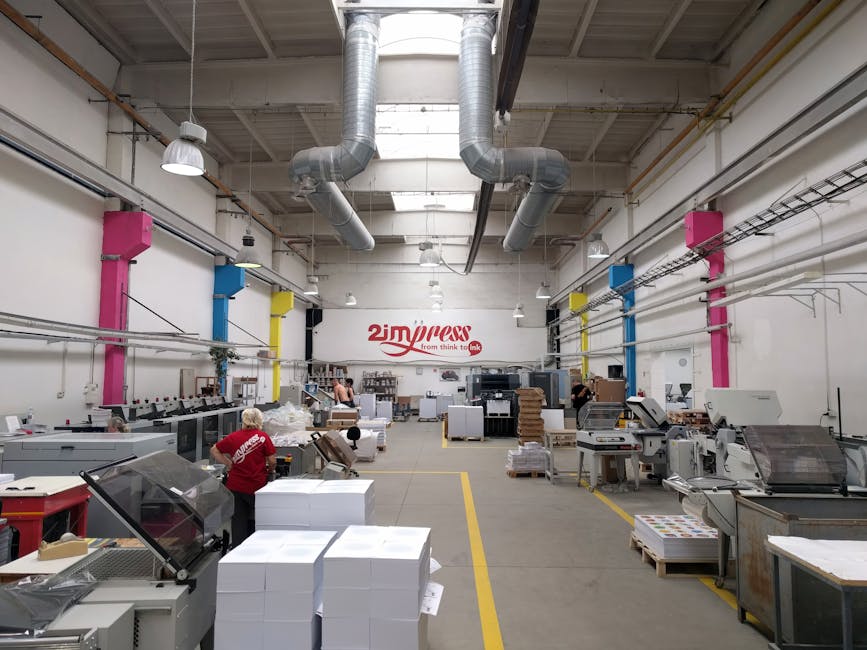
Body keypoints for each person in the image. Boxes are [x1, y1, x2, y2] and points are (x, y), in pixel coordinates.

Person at [210, 407, 276, 547]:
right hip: (256, 487)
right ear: (259, 420)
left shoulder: (233, 437)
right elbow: (272, 461)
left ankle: (239, 550)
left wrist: (229, 463)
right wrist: (270, 470)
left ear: (243, 420)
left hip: (236, 487)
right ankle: (256, 546)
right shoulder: (263, 437)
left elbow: (214, 450)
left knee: (238, 520)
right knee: (259, 518)